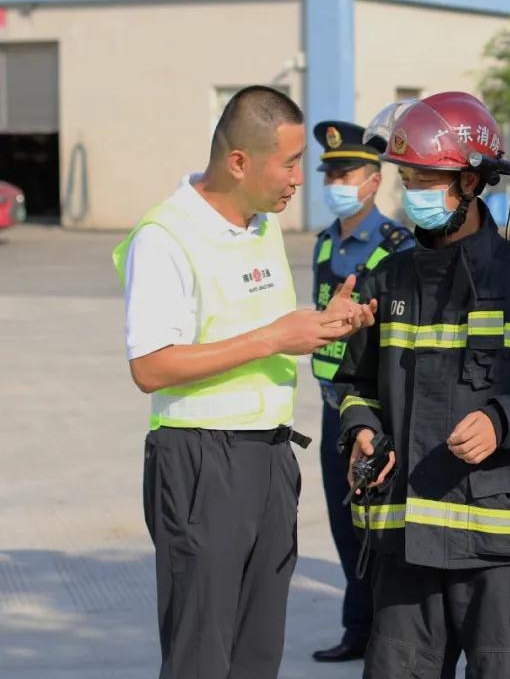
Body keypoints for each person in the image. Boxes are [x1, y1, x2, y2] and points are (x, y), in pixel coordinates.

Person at [334, 91, 510, 679]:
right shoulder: (388, 278)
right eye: (408, 179)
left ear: (472, 182)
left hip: (503, 556)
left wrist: (504, 421)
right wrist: (361, 428)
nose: (415, 194)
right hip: (405, 547)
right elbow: (353, 383)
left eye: (430, 179)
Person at [112, 85, 374, 679]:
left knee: (257, 653)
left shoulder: (263, 227)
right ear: (239, 162)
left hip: (270, 457)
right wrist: (278, 337)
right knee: (202, 654)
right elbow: (150, 366)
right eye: (288, 164)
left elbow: (265, 330)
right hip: (202, 461)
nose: (298, 179)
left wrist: (325, 324)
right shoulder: (167, 235)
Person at [308, 120, 414, 663]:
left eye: (346, 172)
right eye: (330, 173)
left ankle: (384, 630)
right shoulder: (326, 242)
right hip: (333, 405)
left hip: (373, 409)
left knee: (378, 519)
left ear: (373, 181)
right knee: (341, 519)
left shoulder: (397, 244)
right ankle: (357, 626)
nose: (336, 182)